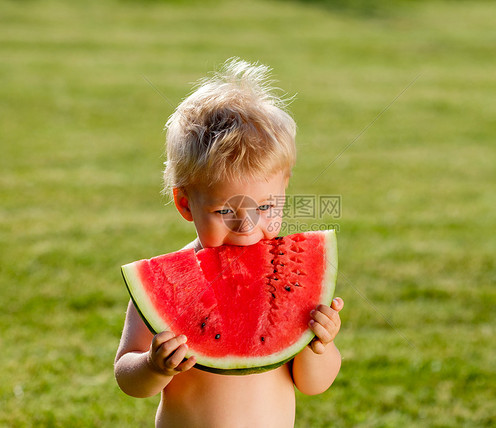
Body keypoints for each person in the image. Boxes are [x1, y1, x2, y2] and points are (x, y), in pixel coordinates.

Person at [114, 58, 344, 428]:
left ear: (285, 189)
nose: (247, 227)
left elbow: (313, 384)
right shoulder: (167, 281)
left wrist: (322, 345)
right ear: (185, 203)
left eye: (266, 206)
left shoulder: (289, 283)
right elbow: (128, 377)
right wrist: (152, 366)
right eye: (225, 211)